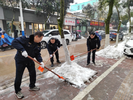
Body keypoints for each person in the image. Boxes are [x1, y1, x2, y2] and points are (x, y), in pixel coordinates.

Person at [11, 32, 44, 99]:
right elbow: (14, 42)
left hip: (29, 60)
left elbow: (37, 54)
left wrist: (41, 61)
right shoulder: (26, 39)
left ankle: (32, 86)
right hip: (20, 61)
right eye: (40, 38)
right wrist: (22, 50)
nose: (41, 40)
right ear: (36, 36)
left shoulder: (37, 44)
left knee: (33, 73)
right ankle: (17, 91)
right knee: (19, 76)